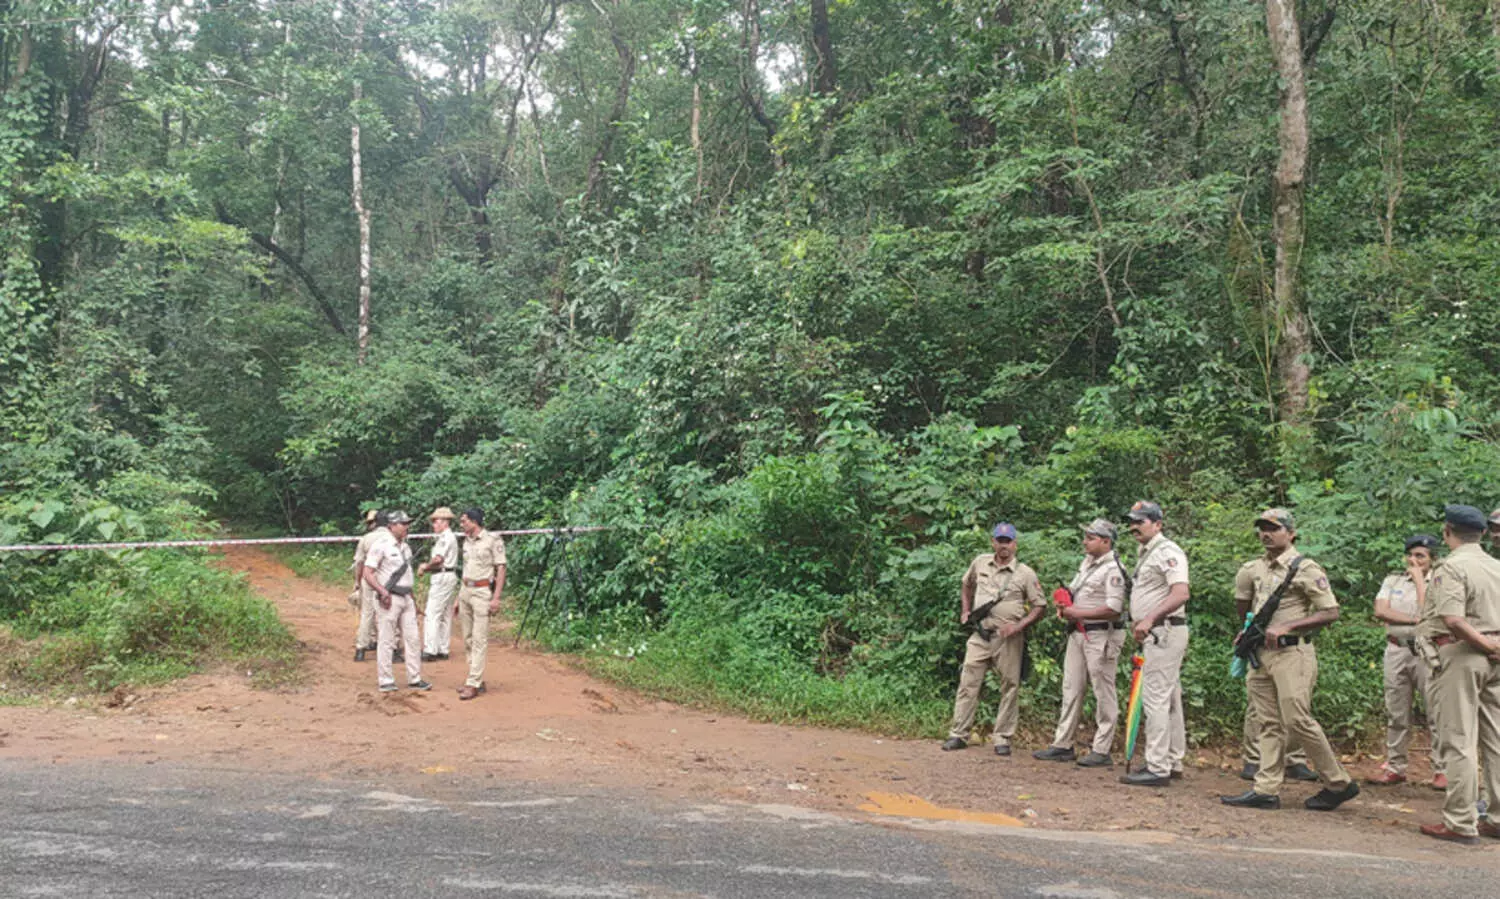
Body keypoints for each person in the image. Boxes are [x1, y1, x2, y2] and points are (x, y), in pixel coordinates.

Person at [1220, 509, 1358, 811]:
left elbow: (1330, 612)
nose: (1266, 534)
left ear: (1291, 533)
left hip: (1292, 653)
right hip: (1261, 654)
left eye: (1274, 528)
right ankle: (1266, 788)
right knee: (1267, 722)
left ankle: (1338, 783)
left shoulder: (1306, 568)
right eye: (1262, 528)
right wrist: (1247, 631)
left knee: (1297, 720)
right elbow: (1247, 605)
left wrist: (1289, 626)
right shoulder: (1254, 568)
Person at [1416, 504, 1500, 844]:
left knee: (1459, 738)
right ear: (1483, 534)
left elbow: (1452, 619)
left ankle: (1460, 821)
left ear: (1447, 531)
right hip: (1496, 656)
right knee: (1496, 740)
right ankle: (1497, 818)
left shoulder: (1452, 567)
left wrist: (1483, 644)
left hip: (1464, 654)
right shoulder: (1495, 566)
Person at [941, 522, 1045, 756]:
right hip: (980, 634)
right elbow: (966, 584)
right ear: (993, 542)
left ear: (1015, 544)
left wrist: (1018, 627)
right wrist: (965, 610)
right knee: (968, 682)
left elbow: (1040, 606)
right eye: (1000, 541)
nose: (1003, 545)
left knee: (1009, 685)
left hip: (1007, 638)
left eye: (1008, 541)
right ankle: (958, 734)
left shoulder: (1025, 573)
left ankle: (1002, 737)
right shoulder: (980, 562)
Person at [1034, 518, 1126, 767]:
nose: (1085, 541)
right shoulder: (1087, 563)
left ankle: (1102, 749)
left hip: (1101, 635)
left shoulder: (1114, 569)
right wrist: (1065, 602)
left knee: (1103, 690)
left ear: (1106, 541)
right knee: (1071, 688)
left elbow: (1114, 609)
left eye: (1090, 538)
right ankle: (1063, 744)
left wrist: (1078, 613)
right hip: (1077, 633)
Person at [1119, 501, 1189, 786]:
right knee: (1169, 697)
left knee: (1155, 697)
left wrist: (1148, 619)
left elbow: (1180, 593)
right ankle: (1172, 760)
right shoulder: (1147, 552)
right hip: (1159, 631)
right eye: (1132, 521)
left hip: (1164, 630)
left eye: (1141, 521)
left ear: (1158, 524)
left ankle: (1158, 767)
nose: (1134, 526)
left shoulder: (1168, 551)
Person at [1368, 534, 1445, 788]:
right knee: (1396, 710)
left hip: (1427, 651)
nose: (1413, 560)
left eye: (1420, 556)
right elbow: (1381, 610)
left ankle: (1441, 769)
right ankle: (1395, 766)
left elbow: (1429, 612)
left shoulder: (1440, 580)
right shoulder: (1393, 580)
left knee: (1435, 711)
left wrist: (1420, 581)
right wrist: (1414, 621)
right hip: (1397, 649)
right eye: (1410, 555)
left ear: (1432, 559)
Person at [362, 510, 431, 693]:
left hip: (406, 597)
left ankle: (414, 678)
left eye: (407, 523)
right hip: (390, 597)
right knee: (387, 639)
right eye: (403, 523)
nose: (407, 527)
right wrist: (382, 591)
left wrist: (413, 601)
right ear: (392, 526)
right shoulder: (381, 545)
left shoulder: (406, 548)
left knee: (413, 639)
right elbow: (368, 572)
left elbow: (407, 575)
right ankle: (385, 679)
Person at [456, 507, 506, 700]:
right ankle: (475, 677)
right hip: (465, 591)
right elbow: (465, 569)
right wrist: (458, 597)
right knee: (468, 638)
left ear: (474, 521)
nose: (461, 524)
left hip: (482, 592)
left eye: (464, 521)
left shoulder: (492, 540)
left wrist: (496, 597)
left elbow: (501, 568)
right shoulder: (466, 541)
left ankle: (473, 682)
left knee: (479, 639)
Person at [418, 507, 460, 662]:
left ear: (444, 522)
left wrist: (425, 567)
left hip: (442, 575)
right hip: (448, 575)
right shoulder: (448, 537)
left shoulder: (445, 538)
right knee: (444, 614)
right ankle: (443, 648)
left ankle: (430, 649)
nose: (434, 524)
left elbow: (438, 559)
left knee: (432, 613)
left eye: (436, 521)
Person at [350, 509, 388, 662]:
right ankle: (392, 648)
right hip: (387, 579)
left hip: (368, 578)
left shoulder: (366, 539)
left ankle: (361, 649)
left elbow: (359, 563)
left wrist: (358, 582)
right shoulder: (393, 538)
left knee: (367, 613)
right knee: (388, 613)